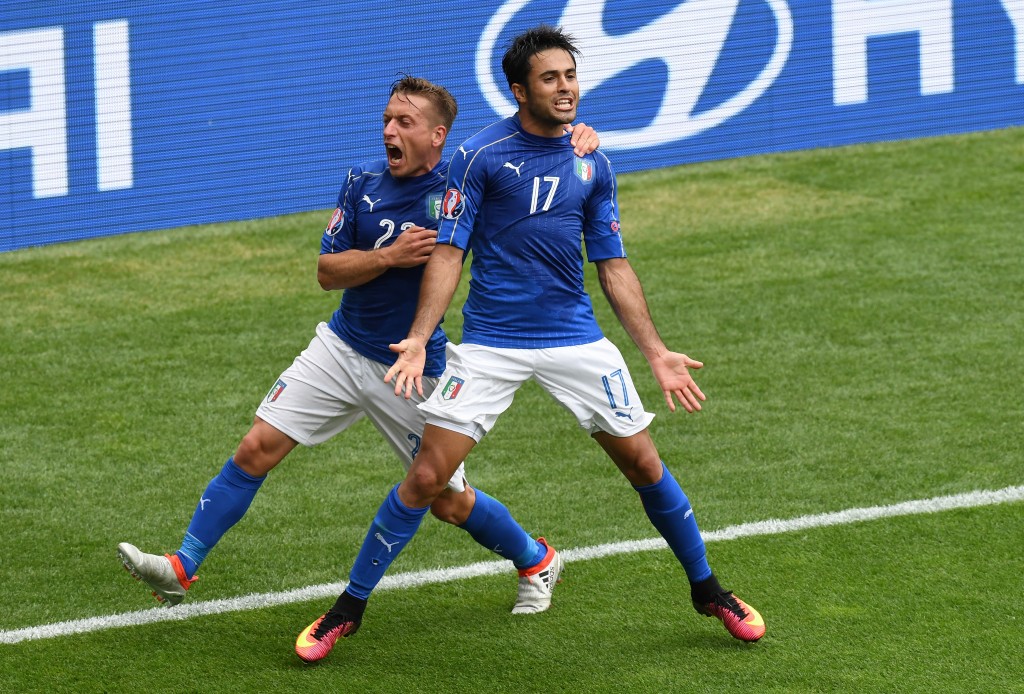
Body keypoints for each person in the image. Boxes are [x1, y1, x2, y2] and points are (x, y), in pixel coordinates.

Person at [297, 26, 766, 663]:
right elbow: (449, 254)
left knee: (644, 466)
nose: (566, 88)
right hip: (491, 344)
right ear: (520, 90)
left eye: (570, 76)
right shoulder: (478, 156)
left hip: (575, 339)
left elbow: (614, 264)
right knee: (430, 476)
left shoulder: (592, 160)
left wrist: (654, 350)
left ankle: (708, 590)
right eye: (550, 79)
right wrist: (416, 338)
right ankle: (347, 609)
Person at [116, 77, 602, 638]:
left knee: (447, 500)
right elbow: (327, 272)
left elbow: (536, 171)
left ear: (438, 135)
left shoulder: (469, 182)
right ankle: (182, 567)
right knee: (257, 445)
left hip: (412, 369)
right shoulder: (360, 183)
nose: (389, 130)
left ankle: (536, 559)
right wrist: (389, 256)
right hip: (342, 347)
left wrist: (573, 138)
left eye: (405, 122)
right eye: (388, 119)